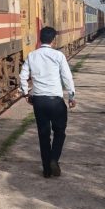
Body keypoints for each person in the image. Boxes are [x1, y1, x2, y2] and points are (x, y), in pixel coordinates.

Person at [20, 26, 77, 178]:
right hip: (56, 101)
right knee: (60, 132)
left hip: (39, 101)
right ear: (53, 40)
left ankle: (46, 170)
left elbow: (23, 76)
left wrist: (26, 94)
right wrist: (71, 96)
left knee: (43, 135)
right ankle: (54, 159)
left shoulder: (32, 55)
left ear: (40, 39)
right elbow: (67, 77)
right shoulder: (58, 56)